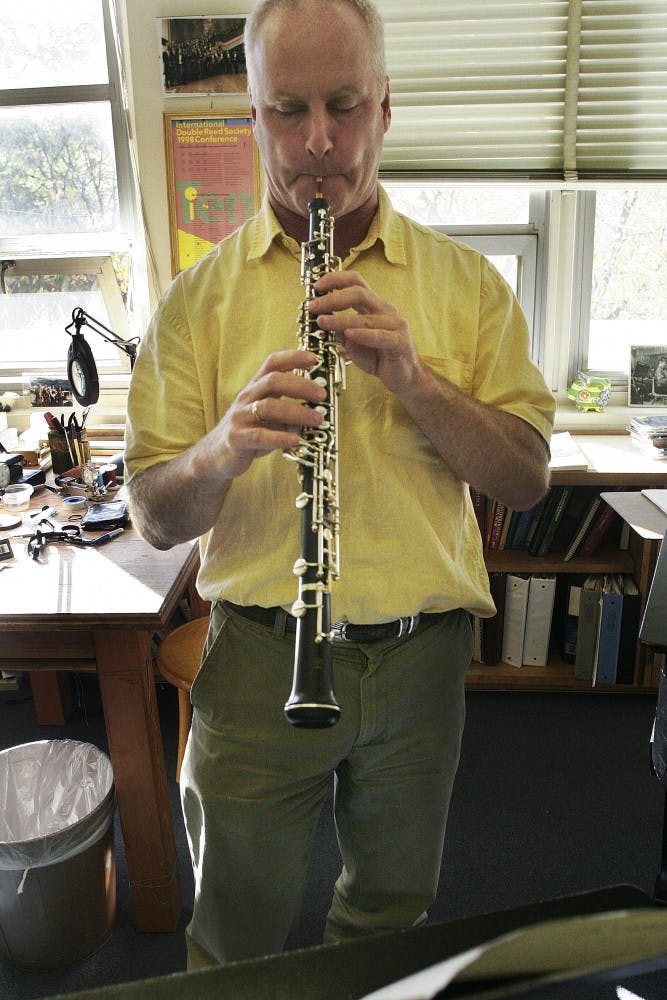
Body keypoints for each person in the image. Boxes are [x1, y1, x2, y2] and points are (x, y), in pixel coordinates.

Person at [124, 0, 555, 969]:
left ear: (386, 109)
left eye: (344, 105)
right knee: (234, 927)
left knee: (389, 922)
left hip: (420, 664)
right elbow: (152, 513)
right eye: (288, 109)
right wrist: (223, 448)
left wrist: (414, 382)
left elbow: (524, 476)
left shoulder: (469, 286)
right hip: (257, 656)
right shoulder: (196, 305)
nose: (318, 141)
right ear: (254, 119)